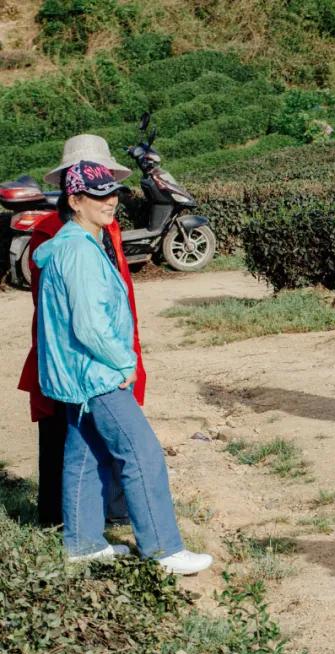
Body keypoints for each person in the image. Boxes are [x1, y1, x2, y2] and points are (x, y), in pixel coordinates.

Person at [34, 160, 212, 575]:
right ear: (75, 200)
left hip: (78, 375)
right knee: (142, 452)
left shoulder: (73, 241)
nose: (109, 201)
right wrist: (124, 362)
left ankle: (82, 544)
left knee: (86, 453)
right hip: (97, 373)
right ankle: (163, 550)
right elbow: (90, 324)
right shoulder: (79, 250)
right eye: (98, 195)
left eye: (112, 192)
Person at [17, 135, 143, 528]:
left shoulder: (107, 225)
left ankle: (105, 512)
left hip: (109, 341)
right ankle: (59, 518)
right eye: (90, 180)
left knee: (102, 437)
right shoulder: (55, 233)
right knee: (66, 432)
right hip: (75, 349)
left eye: (104, 179)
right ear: (73, 190)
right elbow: (59, 308)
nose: (102, 190)